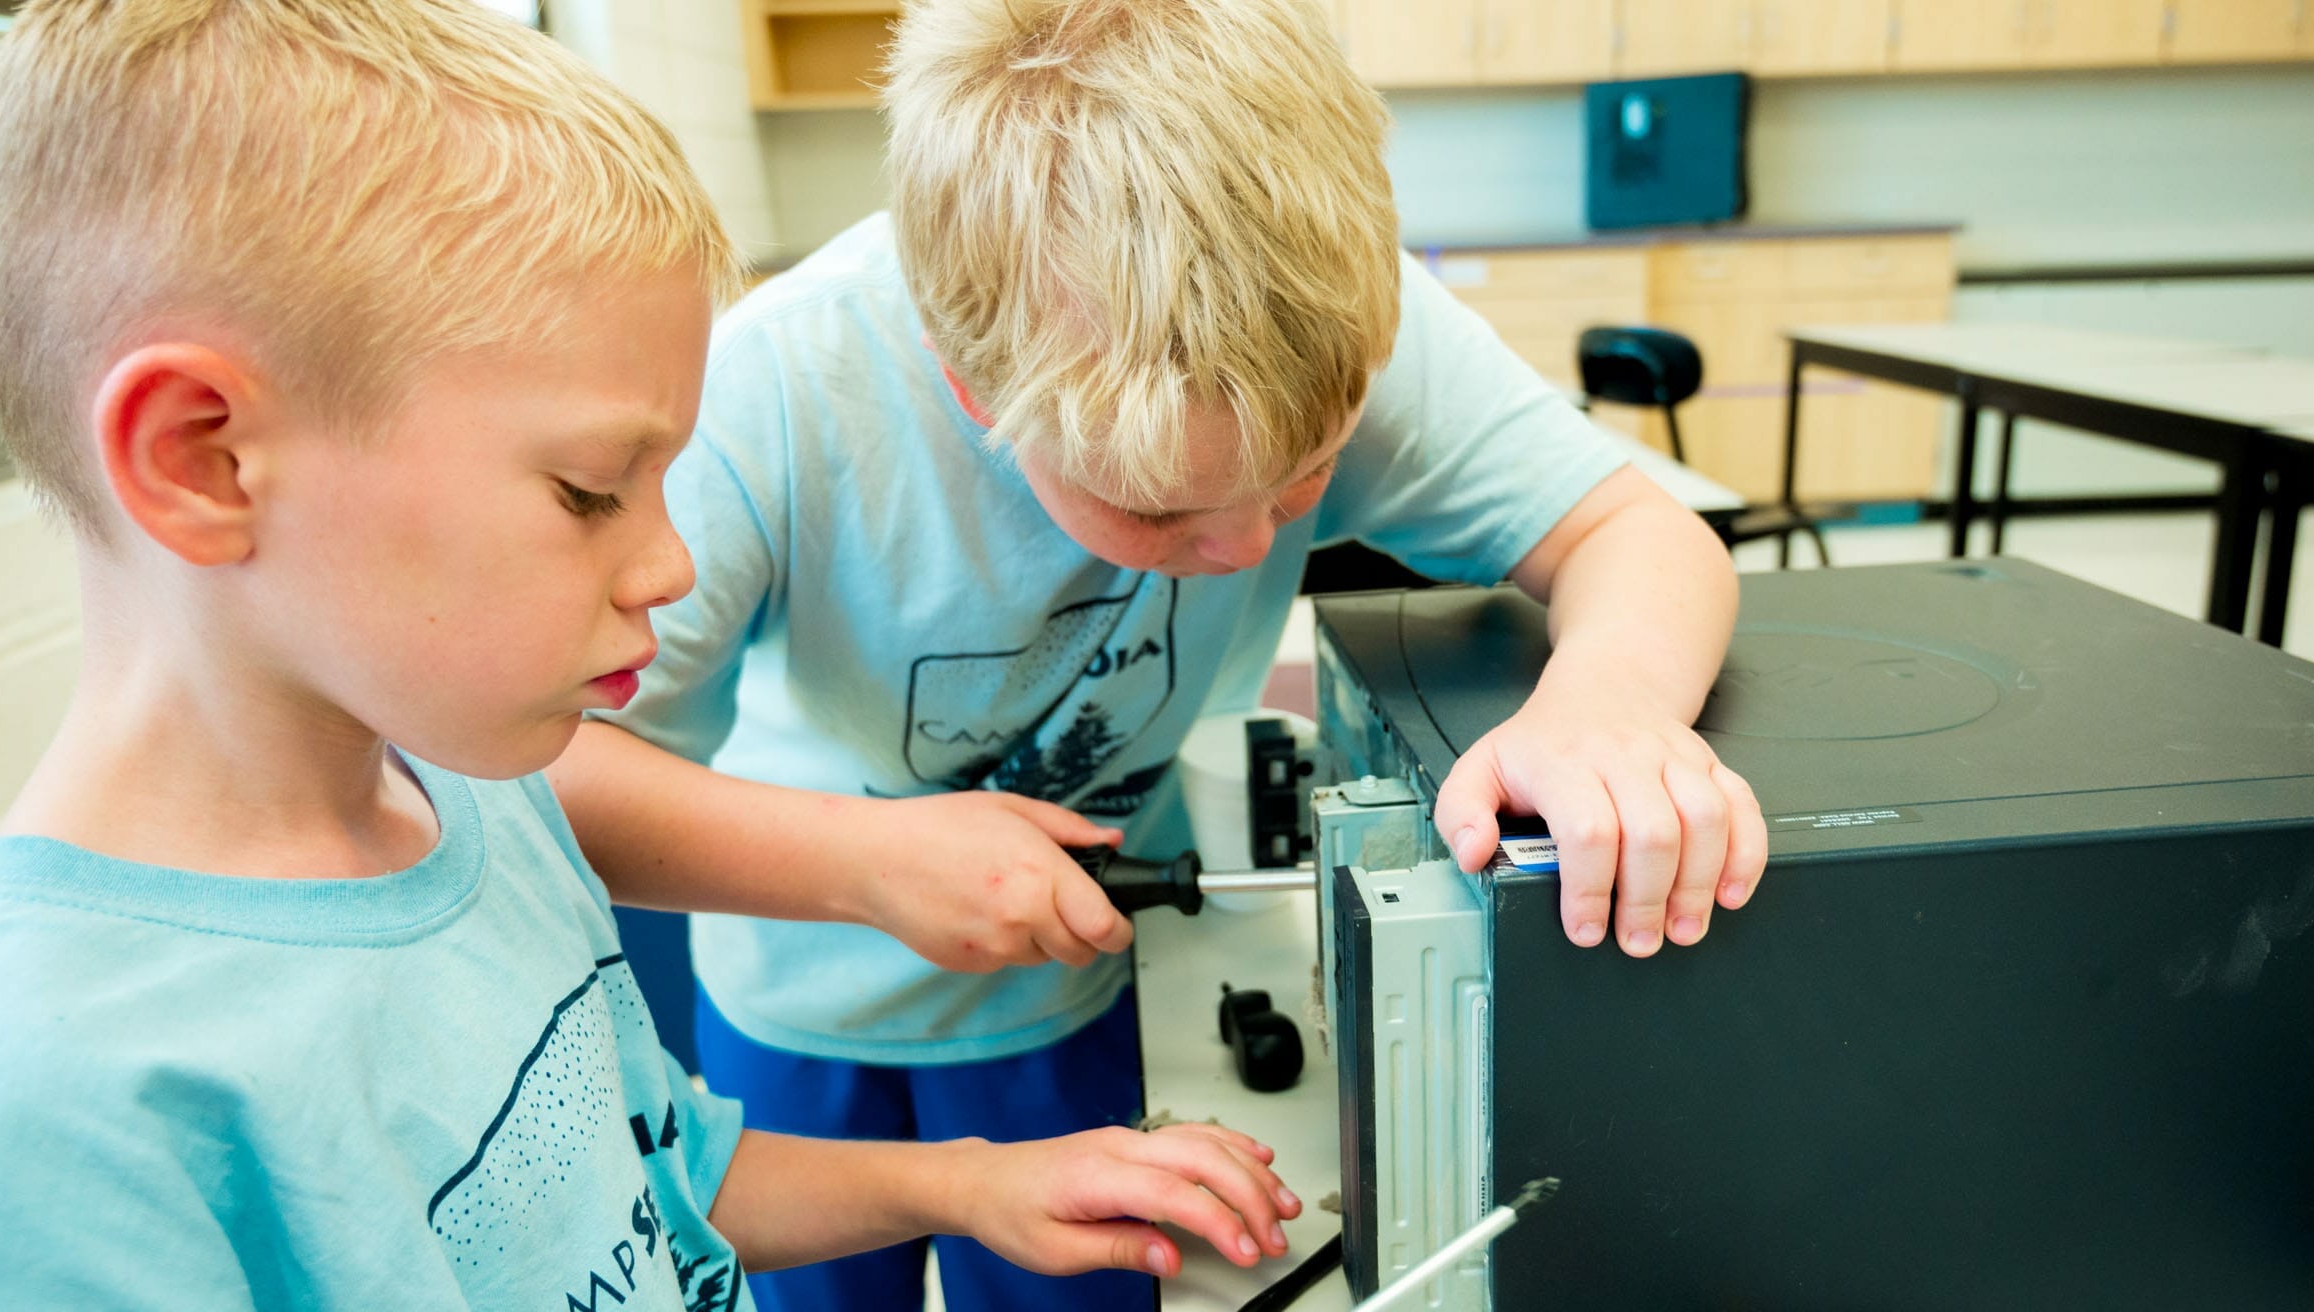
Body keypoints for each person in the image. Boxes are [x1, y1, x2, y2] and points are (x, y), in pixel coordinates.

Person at [0, 3, 1294, 1306]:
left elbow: (651, 1177)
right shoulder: (46, 1101)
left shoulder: (492, 805)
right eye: (588, 492)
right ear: (203, 461)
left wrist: (974, 1188)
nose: (672, 567)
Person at [547, 1, 1770, 1307]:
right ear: (971, 387)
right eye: (1153, 509)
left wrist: (1608, 704)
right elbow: (542, 774)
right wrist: (860, 863)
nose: (1245, 551)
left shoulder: (1327, 305)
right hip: (797, 1005)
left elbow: (1637, 530)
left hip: (1077, 988)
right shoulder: (773, 394)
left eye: (1307, 475)